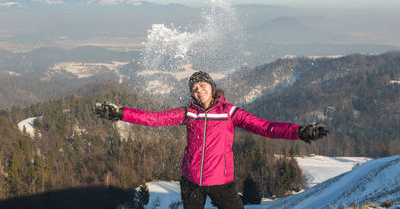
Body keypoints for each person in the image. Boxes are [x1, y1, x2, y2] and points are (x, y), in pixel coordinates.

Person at [94, 71, 328, 209]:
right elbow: (154, 119)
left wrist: (299, 132)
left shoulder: (230, 112)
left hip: (221, 182)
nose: (198, 90)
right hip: (191, 181)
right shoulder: (188, 113)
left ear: (212, 87)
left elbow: (265, 127)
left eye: (202, 85)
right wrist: (121, 113)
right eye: (194, 88)